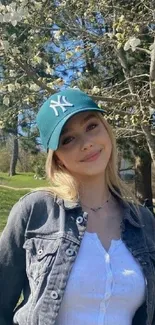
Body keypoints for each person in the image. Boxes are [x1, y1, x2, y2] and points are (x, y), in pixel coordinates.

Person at [0, 88, 155, 325]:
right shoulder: (35, 212)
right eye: (68, 139)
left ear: (106, 130)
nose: (86, 144)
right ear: (57, 157)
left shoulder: (144, 221)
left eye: (91, 126)